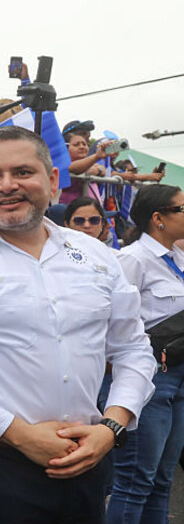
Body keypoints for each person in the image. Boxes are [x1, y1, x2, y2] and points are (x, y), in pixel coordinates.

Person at [0, 126, 156, 524]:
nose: (7, 186)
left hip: (90, 459)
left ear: (53, 180)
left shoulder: (98, 256)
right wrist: (19, 434)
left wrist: (111, 427)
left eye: (22, 172)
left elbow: (132, 349)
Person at [107, 184, 184, 523]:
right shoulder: (133, 260)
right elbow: (114, 324)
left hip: (179, 378)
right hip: (149, 380)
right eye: (181, 208)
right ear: (159, 218)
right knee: (136, 481)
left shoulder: (179, 257)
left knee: (162, 480)